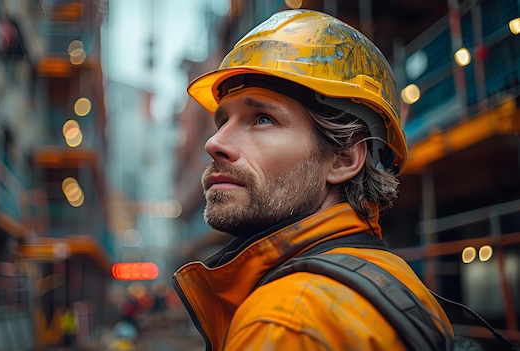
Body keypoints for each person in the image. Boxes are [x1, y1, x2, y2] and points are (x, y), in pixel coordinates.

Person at [172, 9, 454, 351]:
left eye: (262, 118)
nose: (214, 143)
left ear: (344, 158)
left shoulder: (286, 323)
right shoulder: (397, 282)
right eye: (223, 122)